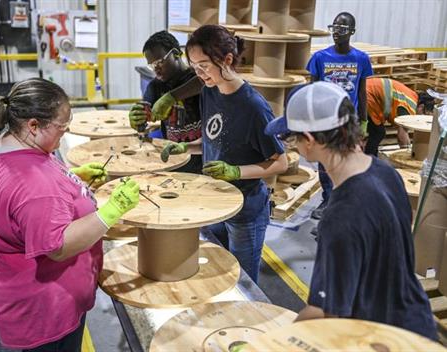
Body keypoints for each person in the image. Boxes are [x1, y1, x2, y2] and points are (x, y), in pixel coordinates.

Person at [264, 81, 437, 341]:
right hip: (416, 322)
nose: (293, 147)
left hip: (380, 338)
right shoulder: (386, 172)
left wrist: (273, 343)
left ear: (310, 140)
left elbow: (325, 312)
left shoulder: (341, 215)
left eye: (291, 138)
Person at [0, 78, 140, 351]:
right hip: (46, 312)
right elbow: (58, 246)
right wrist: (111, 211)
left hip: (21, 295)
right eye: (61, 128)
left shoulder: (7, 146)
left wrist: (72, 179)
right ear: (33, 125)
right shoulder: (34, 186)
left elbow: (23, 209)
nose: (63, 134)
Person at [160, 25, 288, 283]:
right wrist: (188, 146)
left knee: (242, 280)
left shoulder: (253, 107)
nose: (199, 73)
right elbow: (214, 138)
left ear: (227, 60)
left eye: (204, 65)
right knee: (217, 273)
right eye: (194, 66)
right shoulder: (210, 90)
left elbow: (280, 162)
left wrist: (236, 172)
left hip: (246, 210)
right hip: (216, 201)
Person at [307, 11, 373, 221]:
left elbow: (362, 92)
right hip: (325, 120)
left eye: (343, 28)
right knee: (324, 162)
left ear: (352, 32)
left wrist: (363, 122)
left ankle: (343, 200)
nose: (337, 32)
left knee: (346, 161)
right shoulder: (319, 58)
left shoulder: (361, 59)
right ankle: (328, 199)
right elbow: (312, 91)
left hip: (348, 122)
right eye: (334, 27)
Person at [128, 30, 203, 173]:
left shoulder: (198, 77)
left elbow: (201, 82)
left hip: (202, 158)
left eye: (159, 62)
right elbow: (145, 112)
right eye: (151, 65)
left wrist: (171, 97)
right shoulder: (156, 86)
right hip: (174, 159)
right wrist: (137, 118)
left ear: (175, 54)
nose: (156, 69)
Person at [365, 77, 435, 155]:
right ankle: (370, 157)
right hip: (368, 94)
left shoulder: (412, 97)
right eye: (424, 114)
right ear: (421, 107)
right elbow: (402, 135)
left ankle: (368, 155)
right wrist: (407, 154)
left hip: (368, 89)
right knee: (378, 132)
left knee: (374, 131)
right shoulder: (410, 107)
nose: (422, 117)